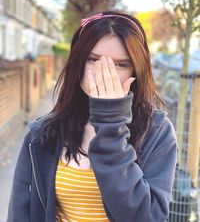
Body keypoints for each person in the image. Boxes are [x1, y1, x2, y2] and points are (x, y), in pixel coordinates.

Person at [7, 11, 178, 222]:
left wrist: (111, 126)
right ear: (77, 64)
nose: (105, 73)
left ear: (137, 70)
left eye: (121, 64)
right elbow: (20, 211)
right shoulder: (43, 133)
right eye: (93, 59)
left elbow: (146, 217)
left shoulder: (157, 131)